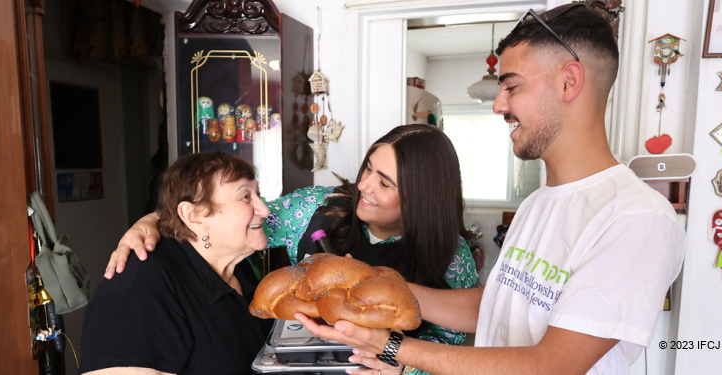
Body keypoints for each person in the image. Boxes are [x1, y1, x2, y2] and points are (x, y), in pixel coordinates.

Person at [295, 4, 686, 375]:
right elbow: (495, 305)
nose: (499, 105)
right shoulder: (538, 204)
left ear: (569, 81)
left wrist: (393, 347)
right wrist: (374, 282)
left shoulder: (636, 218)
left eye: (511, 87)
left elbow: (552, 366)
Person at [104, 124, 479, 374]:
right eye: (368, 169)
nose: (364, 186)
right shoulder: (317, 208)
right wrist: (149, 221)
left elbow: (453, 348)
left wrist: (405, 367)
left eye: (384, 183)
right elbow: (225, 218)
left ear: (421, 197)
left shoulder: (450, 254)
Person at [80, 151, 273, 374]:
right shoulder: (140, 292)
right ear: (193, 216)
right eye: (245, 197)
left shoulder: (236, 266)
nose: (265, 209)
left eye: (258, 194)